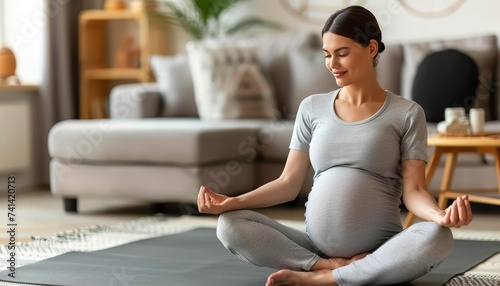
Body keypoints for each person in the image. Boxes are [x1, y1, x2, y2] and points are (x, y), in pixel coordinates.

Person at [197, 5, 473, 286]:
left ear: (371, 48)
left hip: (380, 251)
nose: (333, 64)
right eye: (327, 55)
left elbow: (414, 191)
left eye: (342, 53)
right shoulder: (312, 108)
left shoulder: (407, 113)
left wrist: (440, 215)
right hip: (313, 248)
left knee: (438, 236)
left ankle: (320, 279)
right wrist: (233, 201)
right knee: (230, 224)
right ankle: (329, 268)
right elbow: (288, 182)